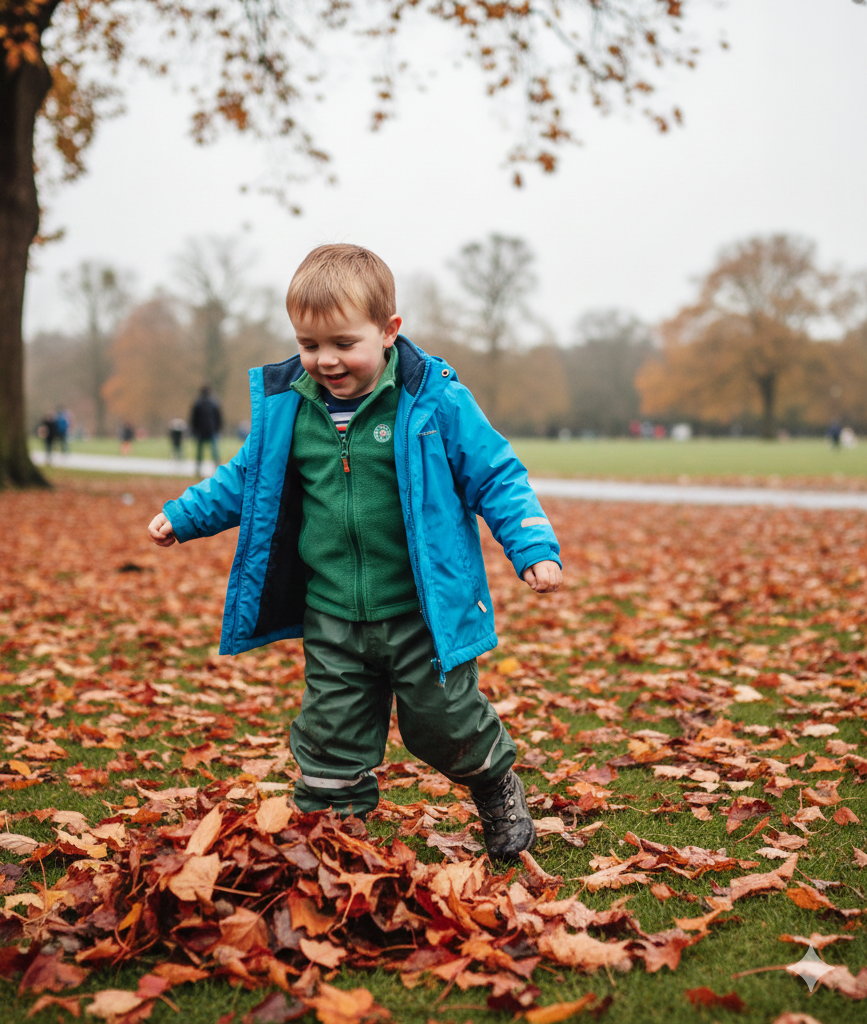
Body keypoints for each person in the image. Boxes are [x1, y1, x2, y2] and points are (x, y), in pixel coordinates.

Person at [147, 244, 562, 861]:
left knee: (443, 723)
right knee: (331, 732)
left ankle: (494, 782)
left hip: (422, 614)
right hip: (334, 614)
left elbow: (495, 473)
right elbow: (246, 478)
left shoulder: (433, 400)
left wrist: (530, 545)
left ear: (390, 331)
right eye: (310, 345)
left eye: (344, 343)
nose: (325, 360)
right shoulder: (291, 407)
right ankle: (332, 842)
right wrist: (185, 515)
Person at [190, 386, 222, 469]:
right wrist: (218, 429)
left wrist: (194, 430)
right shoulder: (214, 403)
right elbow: (219, 418)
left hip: (201, 431)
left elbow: (193, 419)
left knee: (200, 452)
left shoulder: (197, 403)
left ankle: (198, 468)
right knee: (214, 452)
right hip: (211, 430)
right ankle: (217, 468)